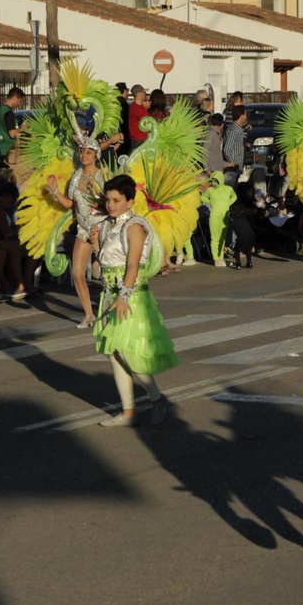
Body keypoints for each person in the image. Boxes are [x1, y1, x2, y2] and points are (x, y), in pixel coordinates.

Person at [89, 174, 175, 427]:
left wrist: (124, 296)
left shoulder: (135, 225)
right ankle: (128, 412)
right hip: (109, 294)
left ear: (130, 201)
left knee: (128, 353)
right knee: (113, 354)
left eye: (117, 200)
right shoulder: (107, 225)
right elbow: (106, 262)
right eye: (108, 200)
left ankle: (157, 398)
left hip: (131, 295)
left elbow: (133, 264)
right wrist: (95, 243)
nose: (111, 205)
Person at [45, 137, 106, 328]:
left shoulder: (102, 175)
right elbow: (70, 204)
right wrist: (55, 191)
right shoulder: (77, 174)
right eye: (82, 151)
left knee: (109, 274)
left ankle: (113, 310)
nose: (84, 155)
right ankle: (89, 314)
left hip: (101, 228)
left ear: (96, 154)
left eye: (89, 152)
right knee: (78, 272)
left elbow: (110, 203)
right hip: (83, 229)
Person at [0, 87, 27, 166]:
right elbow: (12, 134)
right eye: (19, 101)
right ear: (15, 98)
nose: (19, 104)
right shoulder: (9, 113)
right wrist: (23, 129)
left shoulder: (1, 109)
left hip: (0, 148)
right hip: (7, 150)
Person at [222, 105, 248, 185]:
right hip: (233, 168)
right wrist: (231, 162)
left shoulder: (237, 128)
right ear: (241, 116)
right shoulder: (234, 130)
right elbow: (227, 149)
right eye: (245, 114)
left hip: (237, 167)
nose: (246, 116)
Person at [127, 85, 149, 149]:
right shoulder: (135, 107)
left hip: (142, 140)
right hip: (139, 141)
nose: (145, 94)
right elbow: (146, 121)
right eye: (143, 92)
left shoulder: (140, 107)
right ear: (139, 94)